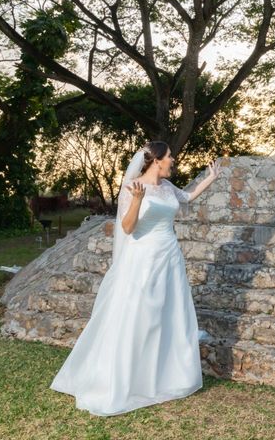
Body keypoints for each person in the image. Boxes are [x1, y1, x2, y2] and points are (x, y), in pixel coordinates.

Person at [51, 141, 221, 416]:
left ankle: (165, 376)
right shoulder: (133, 187)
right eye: (169, 156)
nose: (173, 159)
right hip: (144, 258)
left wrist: (211, 178)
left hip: (170, 256)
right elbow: (128, 228)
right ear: (157, 161)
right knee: (141, 315)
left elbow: (187, 198)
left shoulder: (166, 187)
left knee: (169, 313)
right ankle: (128, 378)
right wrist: (139, 201)